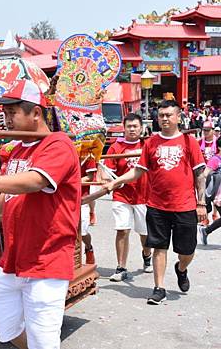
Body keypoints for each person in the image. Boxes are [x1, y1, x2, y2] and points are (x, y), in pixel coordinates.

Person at [0, 79, 80, 349]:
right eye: (5, 113)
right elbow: (10, 194)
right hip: (13, 258)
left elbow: (34, 181)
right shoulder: (19, 150)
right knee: (4, 323)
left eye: (12, 113)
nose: (6, 119)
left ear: (36, 113)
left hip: (47, 259)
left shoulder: (58, 144)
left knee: (44, 339)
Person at [104, 100, 206, 305]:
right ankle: (159, 288)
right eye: (161, 115)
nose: (165, 119)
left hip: (185, 205)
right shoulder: (151, 142)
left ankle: (181, 269)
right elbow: (138, 170)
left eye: (169, 115)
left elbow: (200, 175)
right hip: (156, 205)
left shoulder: (189, 142)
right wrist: (117, 181)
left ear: (178, 117)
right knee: (160, 247)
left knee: (186, 251)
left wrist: (201, 203)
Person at [102, 113, 152, 282]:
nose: (132, 129)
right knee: (122, 230)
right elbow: (108, 173)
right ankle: (121, 267)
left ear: (141, 128)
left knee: (144, 234)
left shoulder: (148, 145)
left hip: (144, 196)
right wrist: (109, 180)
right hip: (122, 195)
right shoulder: (115, 148)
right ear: (124, 128)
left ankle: (147, 256)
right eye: (129, 126)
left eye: (135, 126)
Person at [199, 137, 221, 244]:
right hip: (218, 196)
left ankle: (206, 231)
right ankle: (206, 231)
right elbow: (205, 175)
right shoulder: (215, 160)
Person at [80, 156, 96, 264]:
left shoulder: (88, 155)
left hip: (82, 198)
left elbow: (90, 177)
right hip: (63, 197)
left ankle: (89, 248)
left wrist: (71, 181)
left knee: (83, 232)